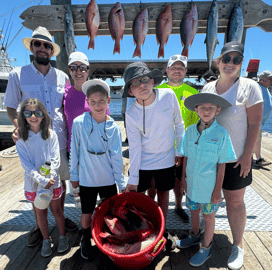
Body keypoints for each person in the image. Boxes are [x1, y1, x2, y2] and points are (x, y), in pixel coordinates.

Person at [4, 26, 77, 248]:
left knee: (59, 181)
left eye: (47, 45)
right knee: (37, 182)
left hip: (59, 139)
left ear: (52, 51)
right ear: (32, 47)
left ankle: (60, 217)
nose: (42, 48)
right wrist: (18, 127)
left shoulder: (63, 76)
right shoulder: (17, 74)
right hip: (34, 141)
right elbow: (10, 107)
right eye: (38, 44)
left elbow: (68, 106)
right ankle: (39, 226)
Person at [202, 41, 263, 270]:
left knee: (235, 202)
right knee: (207, 200)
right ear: (218, 62)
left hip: (236, 157)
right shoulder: (207, 89)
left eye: (236, 60)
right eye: (226, 59)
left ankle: (237, 245)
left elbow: (255, 123)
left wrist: (248, 155)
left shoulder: (250, 87)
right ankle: (204, 238)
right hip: (210, 158)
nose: (230, 63)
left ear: (241, 64)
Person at [123, 62, 184, 249]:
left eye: (144, 79)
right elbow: (134, 147)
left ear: (152, 81)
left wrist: (179, 151)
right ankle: (146, 228)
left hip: (167, 158)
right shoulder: (131, 112)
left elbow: (179, 124)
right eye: (135, 83)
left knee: (164, 193)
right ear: (130, 92)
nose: (142, 85)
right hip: (143, 161)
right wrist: (132, 177)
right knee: (142, 197)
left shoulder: (169, 95)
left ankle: (162, 230)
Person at [177, 93, 236, 267]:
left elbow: (222, 164)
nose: (206, 111)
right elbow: (185, 157)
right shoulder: (189, 131)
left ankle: (206, 247)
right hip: (191, 184)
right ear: (196, 110)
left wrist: (218, 190)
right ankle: (194, 236)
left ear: (217, 110)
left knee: (209, 216)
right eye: (202, 107)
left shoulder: (222, 133)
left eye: (211, 108)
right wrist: (182, 180)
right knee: (193, 211)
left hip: (210, 187)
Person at [70, 79, 125, 259]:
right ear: (87, 102)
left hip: (108, 180)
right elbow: (74, 151)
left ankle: (107, 239)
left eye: (101, 101)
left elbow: (117, 157)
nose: (97, 105)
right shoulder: (78, 123)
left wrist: (120, 182)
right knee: (86, 212)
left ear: (109, 101)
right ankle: (86, 239)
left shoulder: (114, 127)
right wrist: (74, 176)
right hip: (86, 180)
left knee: (110, 213)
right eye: (92, 102)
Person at [16, 98, 69, 258]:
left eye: (38, 112)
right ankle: (46, 239)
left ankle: (63, 236)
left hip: (52, 181)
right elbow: (27, 166)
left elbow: (55, 158)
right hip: (34, 183)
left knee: (57, 210)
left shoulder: (51, 134)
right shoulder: (21, 139)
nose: (33, 116)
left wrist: (50, 177)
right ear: (23, 116)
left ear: (43, 115)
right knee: (41, 213)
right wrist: (42, 180)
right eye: (28, 113)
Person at [156, 54, 200, 223]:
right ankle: (157, 209)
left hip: (183, 146)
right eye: (173, 67)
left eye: (180, 68)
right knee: (157, 182)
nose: (177, 70)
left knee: (179, 180)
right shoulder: (158, 90)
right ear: (167, 70)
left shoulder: (193, 93)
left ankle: (178, 206)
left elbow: (197, 124)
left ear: (186, 71)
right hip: (161, 145)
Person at [63, 51, 110, 153]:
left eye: (83, 68)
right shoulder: (64, 93)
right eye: (74, 67)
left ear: (88, 71)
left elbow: (108, 123)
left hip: (95, 150)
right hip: (73, 149)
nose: (78, 71)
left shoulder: (96, 94)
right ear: (69, 70)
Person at [253, 70, 272, 167]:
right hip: (254, 121)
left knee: (256, 139)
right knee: (256, 139)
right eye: (270, 79)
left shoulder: (265, 88)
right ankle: (258, 159)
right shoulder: (258, 88)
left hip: (259, 121)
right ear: (262, 79)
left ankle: (255, 157)